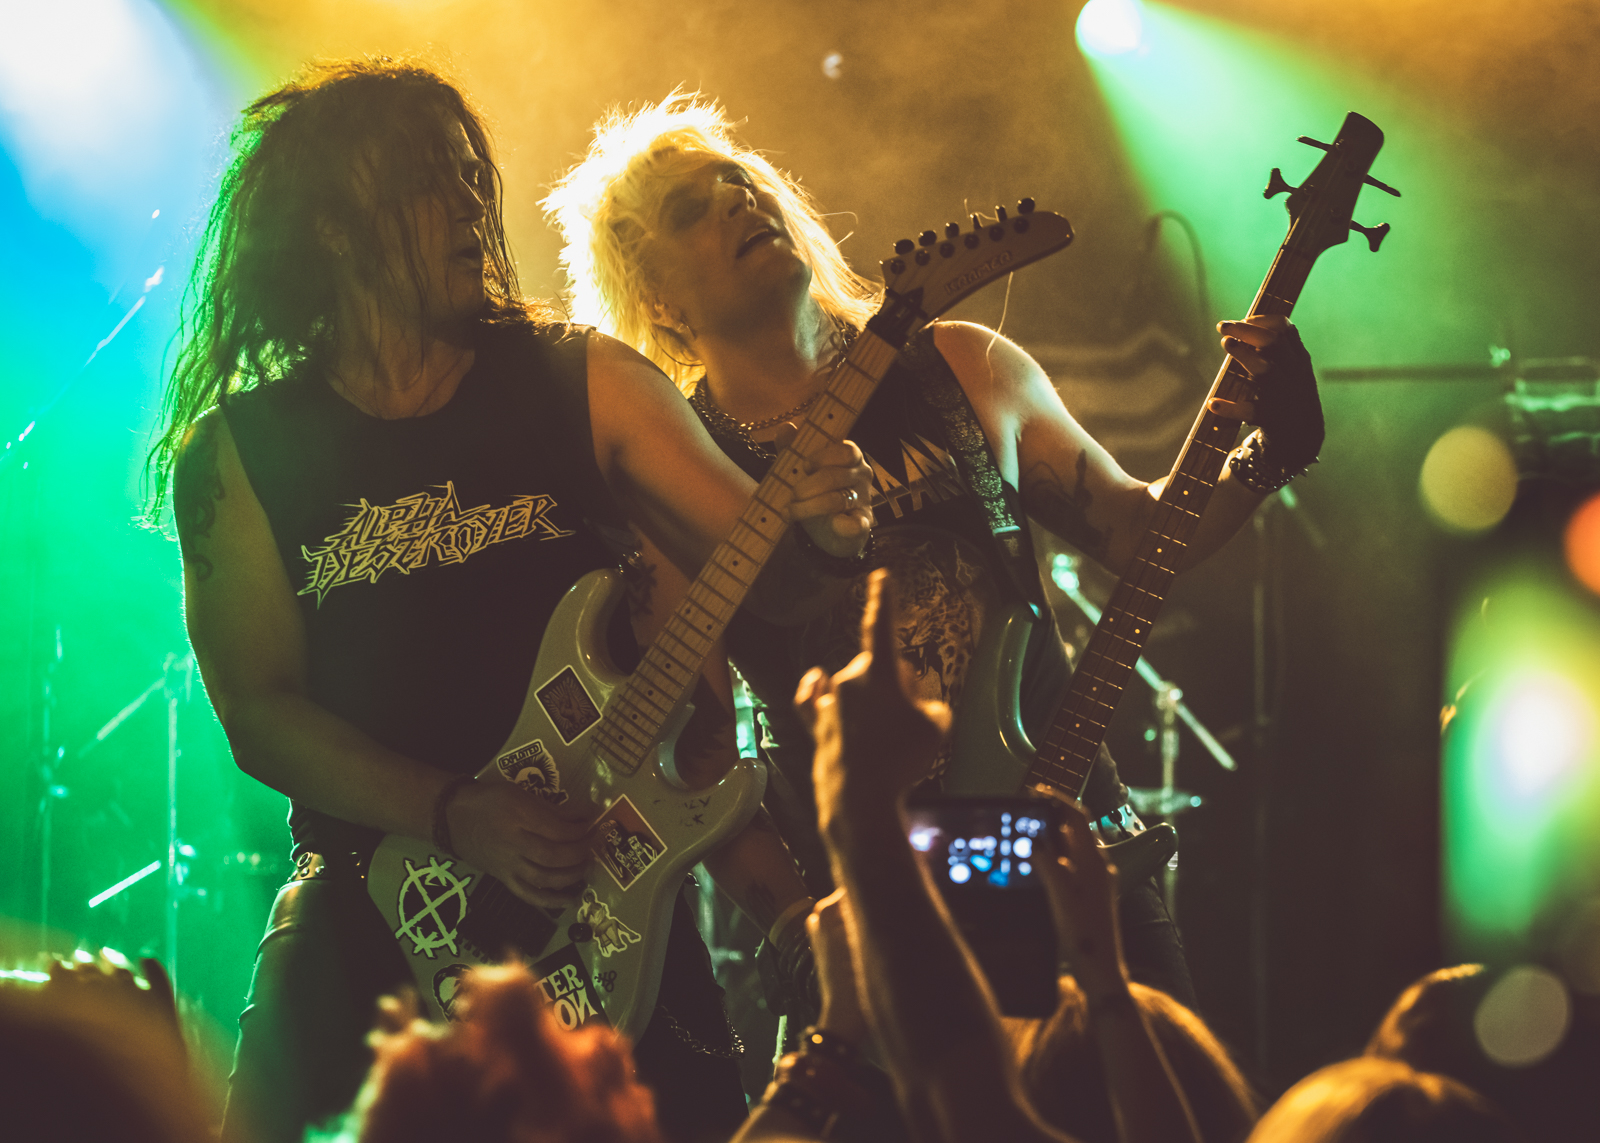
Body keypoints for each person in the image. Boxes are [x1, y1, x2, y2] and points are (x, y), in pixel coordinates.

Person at [147, 59, 873, 1143]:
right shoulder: (237, 454)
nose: (470, 205)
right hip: (370, 909)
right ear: (336, 227)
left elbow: (775, 577)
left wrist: (824, 527)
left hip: (607, 910)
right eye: (429, 180)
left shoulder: (580, 376)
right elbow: (260, 713)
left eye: (470, 176)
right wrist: (453, 811)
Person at [544, 93, 1329, 1007]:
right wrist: (796, 930)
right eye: (692, 208)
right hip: (885, 908)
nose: (736, 200)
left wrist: (1270, 450)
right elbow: (699, 754)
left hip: (1073, 849)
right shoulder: (682, 472)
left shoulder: (959, 365)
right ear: (658, 301)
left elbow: (1135, 531)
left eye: (740, 181)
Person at [735, 568, 1204, 1143]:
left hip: (1009, 847)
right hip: (939, 884)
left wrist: (832, 1040)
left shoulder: (994, 504)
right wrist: (1104, 979)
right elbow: (989, 1115)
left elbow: (967, 1102)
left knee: (1190, 1081)